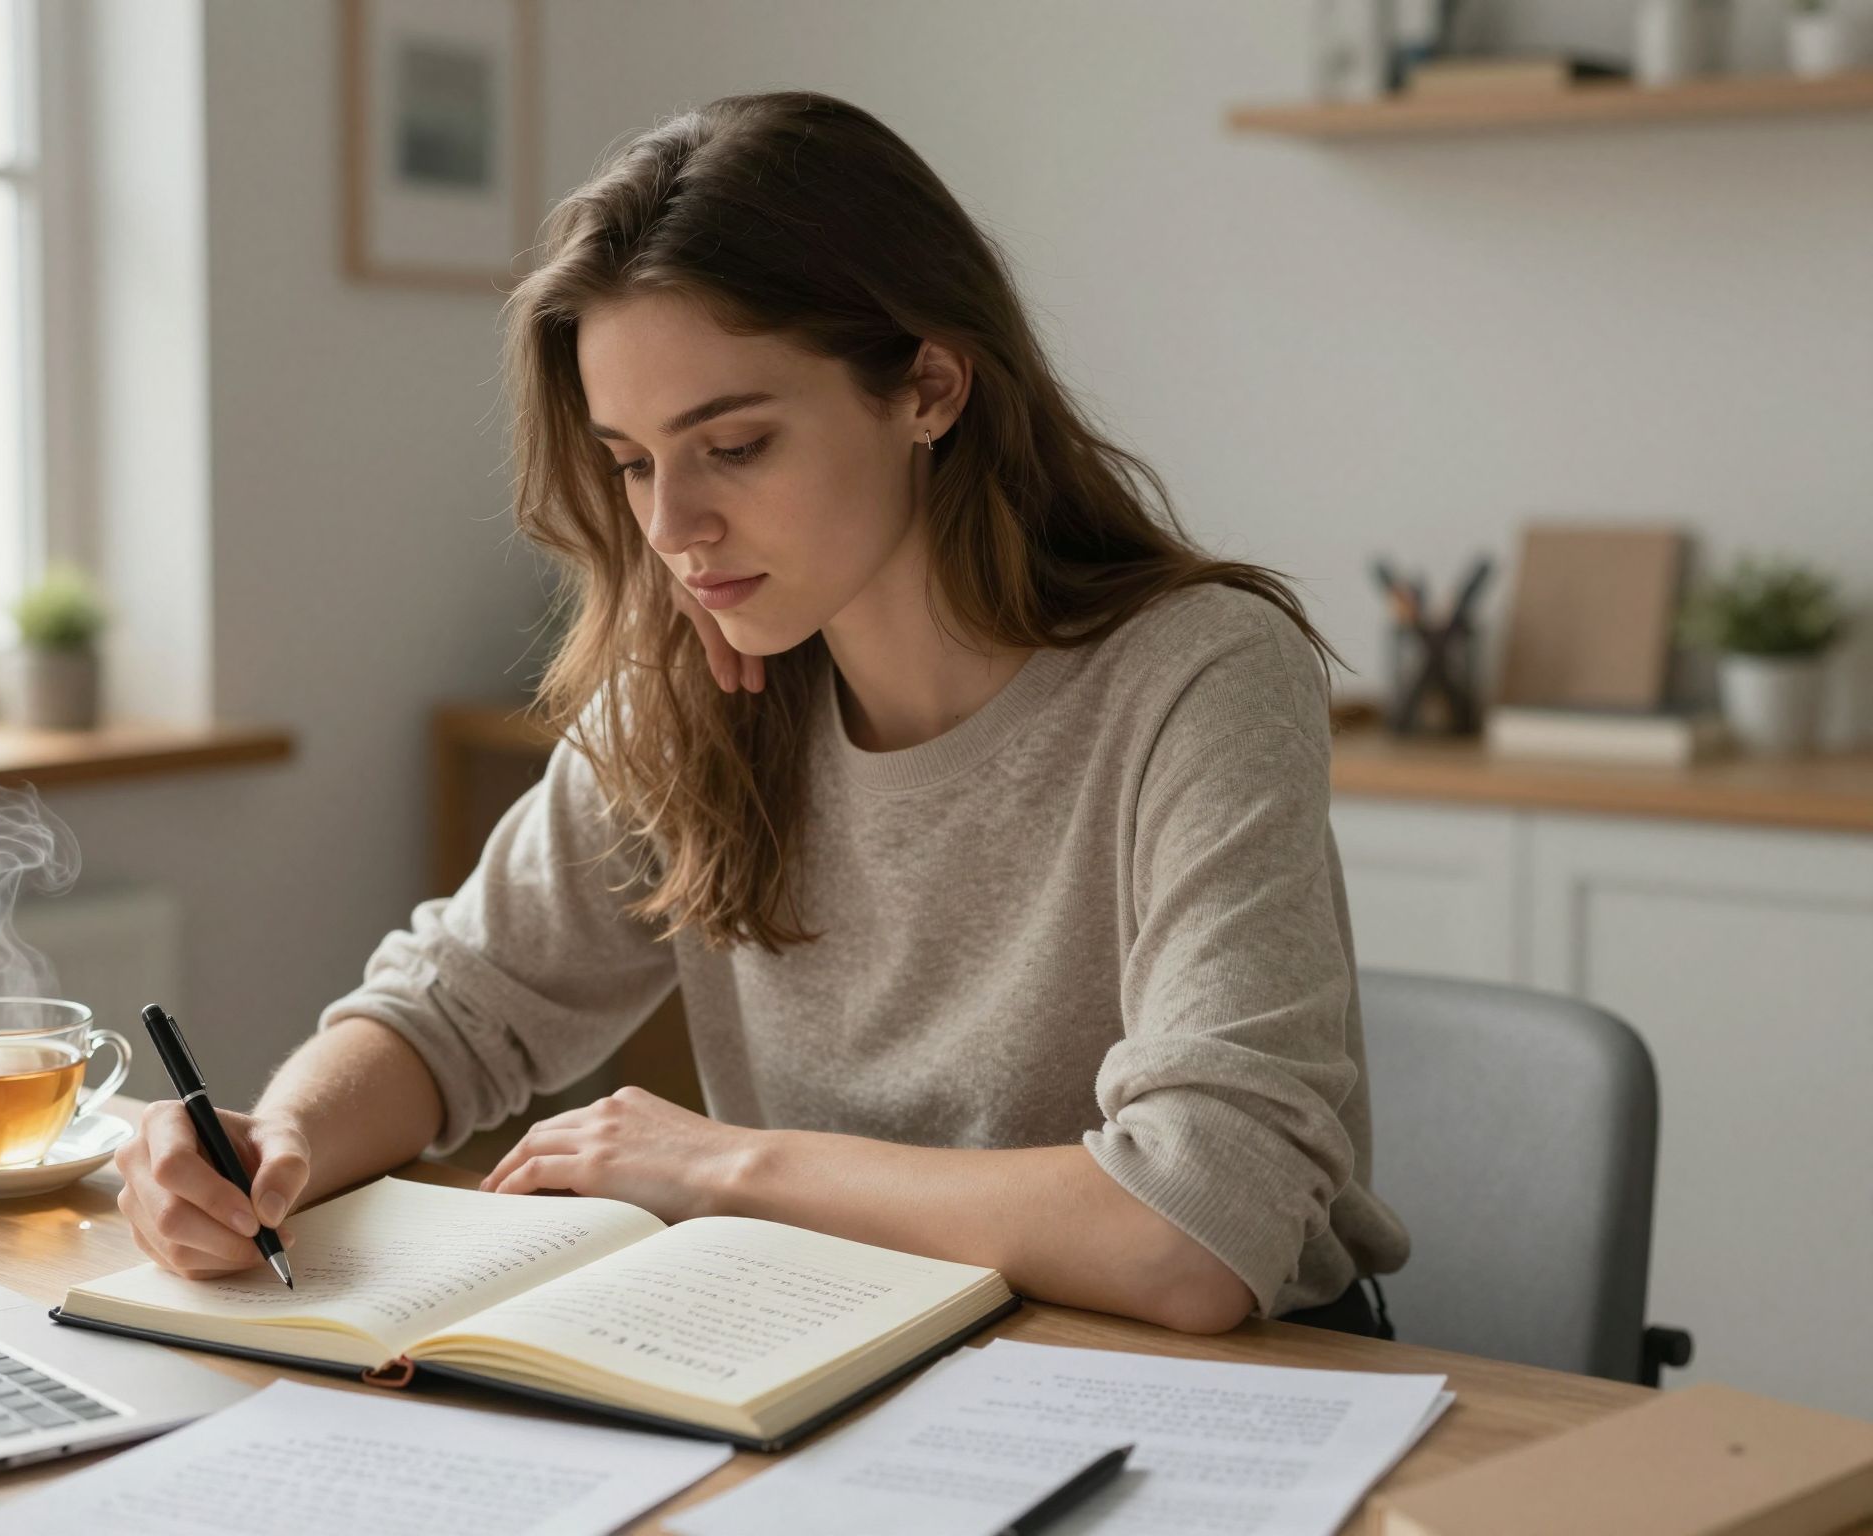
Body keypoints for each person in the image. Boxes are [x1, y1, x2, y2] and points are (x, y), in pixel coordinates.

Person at [113, 89, 1409, 1339]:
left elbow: (1197, 1227)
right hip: (846, 1366)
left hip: (1213, 1394)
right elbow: (456, 1007)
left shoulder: (1197, 674)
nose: (673, 530)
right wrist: (278, 1143)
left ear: (930, 390)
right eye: (631, 463)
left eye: (732, 447)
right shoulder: (702, 685)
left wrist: (729, 1170)